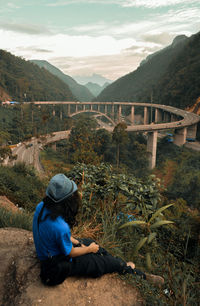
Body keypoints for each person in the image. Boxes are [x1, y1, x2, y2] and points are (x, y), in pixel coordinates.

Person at [32, 173, 164, 286]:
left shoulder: (41, 207)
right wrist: (89, 249)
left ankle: (118, 263)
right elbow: (70, 253)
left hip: (46, 252)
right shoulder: (60, 226)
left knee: (90, 242)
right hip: (56, 262)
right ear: (67, 201)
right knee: (98, 261)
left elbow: (57, 235)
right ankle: (138, 274)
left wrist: (77, 242)